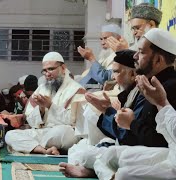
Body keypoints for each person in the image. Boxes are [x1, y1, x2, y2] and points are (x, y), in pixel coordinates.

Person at [59, 28, 176, 179]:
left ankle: (106, 175)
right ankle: (99, 171)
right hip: (148, 150)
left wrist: (132, 122)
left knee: (121, 172)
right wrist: (108, 111)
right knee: (104, 155)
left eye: (140, 52)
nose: (135, 56)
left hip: (166, 155)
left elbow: (156, 140)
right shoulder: (147, 83)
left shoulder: (168, 88)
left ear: (158, 60)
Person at [5, 51, 85, 155]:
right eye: (44, 70)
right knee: (10, 135)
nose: (47, 74)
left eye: (51, 69)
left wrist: (50, 106)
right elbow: (31, 121)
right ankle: (45, 150)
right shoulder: (42, 88)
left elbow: (75, 121)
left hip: (63, 133)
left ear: (63, 67)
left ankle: (33, 146)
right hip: (44, 132)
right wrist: (41, 109)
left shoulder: (76, 89)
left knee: (62, 132)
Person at [80, 3, 162, 86]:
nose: (134, 33)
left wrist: (123, 52)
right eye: (133, 29)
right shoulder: (134, 48)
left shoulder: (160, 48)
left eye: (137, 28)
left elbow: (107, 77)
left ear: (151, 24)